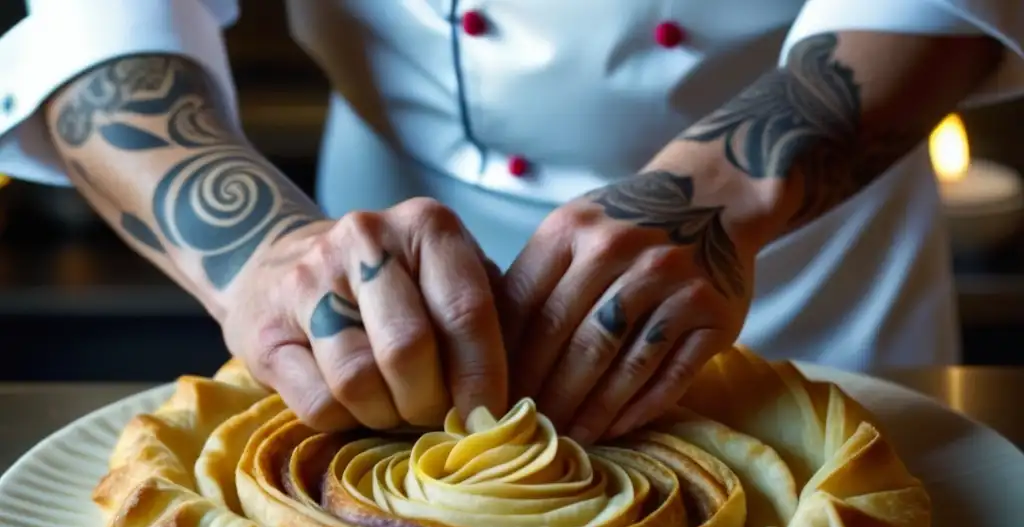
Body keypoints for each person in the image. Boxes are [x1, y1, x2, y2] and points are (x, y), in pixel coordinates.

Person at [0, 2, 1020, 445]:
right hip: (379, 262)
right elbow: (109, 22)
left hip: (802, 252)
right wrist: (266, 255)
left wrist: (715, 202)